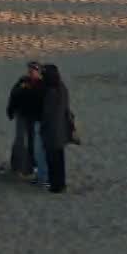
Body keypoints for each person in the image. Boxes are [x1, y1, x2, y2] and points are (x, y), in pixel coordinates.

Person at [38, 64, 74, 193]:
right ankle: (60, 184)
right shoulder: (61, 87)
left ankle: (56, 186)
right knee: (59, 159)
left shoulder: (51, 91)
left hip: (52, 131)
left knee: (53, 160)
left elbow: (47, 113)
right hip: (61, 129)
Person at [5, 62, 44, 177]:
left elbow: (43, 99)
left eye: (33, 70)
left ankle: (31, 166)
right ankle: (16, 165)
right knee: (20, 140)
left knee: (33, 142)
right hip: (22, 114)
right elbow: (13, 95)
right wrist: (10, 110)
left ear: (38, 72)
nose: (30, 72)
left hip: (35, 117)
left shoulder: (42, 84)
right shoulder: (23, 81)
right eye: (29, 70)